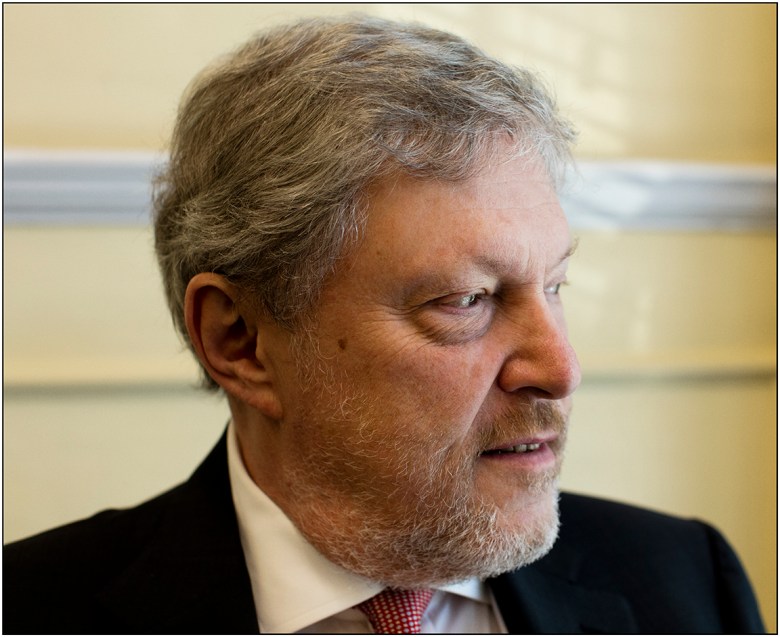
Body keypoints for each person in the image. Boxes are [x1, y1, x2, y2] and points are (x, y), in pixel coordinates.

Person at [4, 15, 765, 634]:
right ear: (241, 342)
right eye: (466, 300)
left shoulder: (686, 582)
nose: (560, 369)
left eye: (555, 285)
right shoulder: (32, 610)